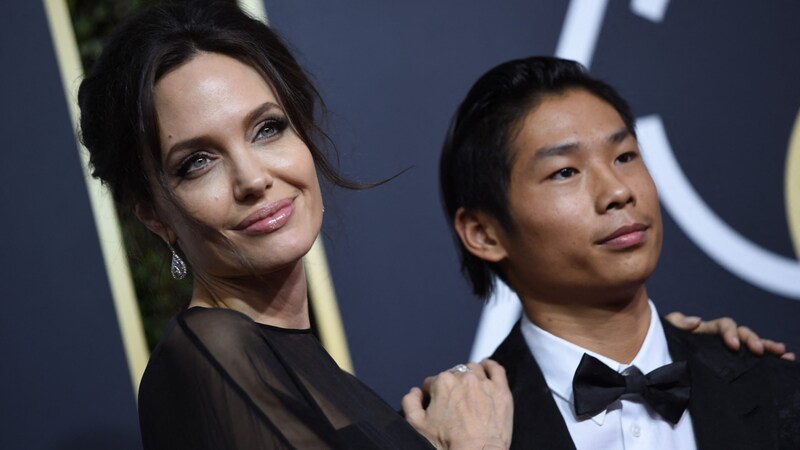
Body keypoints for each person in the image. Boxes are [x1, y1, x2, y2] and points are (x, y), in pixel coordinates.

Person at [77, 1, 513, 449]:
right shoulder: (212, 354)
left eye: (267, 128)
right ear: (153, 213)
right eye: (198, 162)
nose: (252, 179)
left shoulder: (302, 366)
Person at [439, 55, 800, 449]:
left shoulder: (774, 387)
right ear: (484, 233)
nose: (618, 191)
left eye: (625, 156)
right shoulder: (451, 433)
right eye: (565, 171)